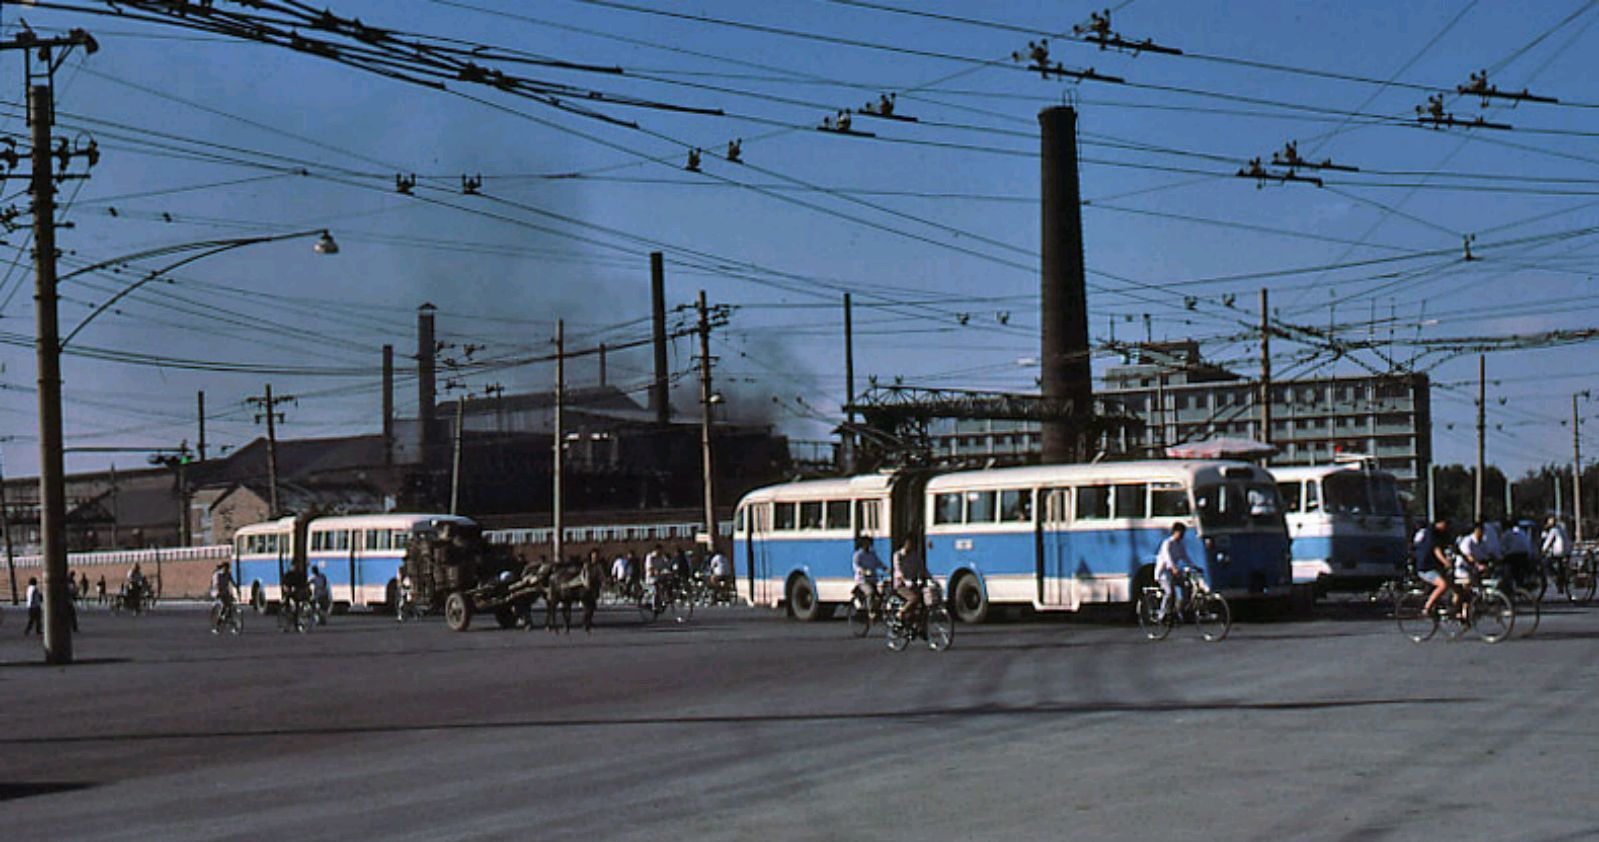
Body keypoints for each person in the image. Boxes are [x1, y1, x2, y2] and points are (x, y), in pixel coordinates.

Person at [1154, 522, 1192, 621]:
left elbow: (1185, 557)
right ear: (1175, 532)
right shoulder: (1167, 543)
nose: (1183, 535)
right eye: (1181, 533)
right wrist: (1173, 568)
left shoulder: (1180, 544)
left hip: (1173, 572)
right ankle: (1161, 615)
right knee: (1169, 592)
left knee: (1186, 586)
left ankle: (1179, 610)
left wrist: (1194, 566)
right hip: (1163, 573)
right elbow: (1167, 558)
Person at [1419, 519, 1456, 617]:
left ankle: (1455, 610)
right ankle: (1427, 608)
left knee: (1454, 585)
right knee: (1443, 585)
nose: (1446, 526)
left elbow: (1452, 546)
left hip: (1436, 567)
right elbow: (1437, 551)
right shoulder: (1431, 534)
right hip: (1426, 567)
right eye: (1445, 523)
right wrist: (1446, 562)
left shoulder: (1442, 534)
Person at [891, 538, 926, 623]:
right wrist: (905, 580)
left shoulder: (914, 555)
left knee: (923, 600)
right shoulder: (898, 555)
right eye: (908, 544)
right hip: (901, 584)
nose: (910, 546)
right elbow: (898, 570)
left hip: (913, 582)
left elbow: (921, 567)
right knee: (913, 598)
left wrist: (928, 577)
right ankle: (901, 612)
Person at [852, 536, 886, 604]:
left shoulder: (872, 554)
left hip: (873, 579)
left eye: (869, 543)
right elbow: (856, 566)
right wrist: (863, 571)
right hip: (862, 580)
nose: (868, 545)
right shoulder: (858, 555)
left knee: (881, 594)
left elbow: (878, 562)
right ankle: (871, 611)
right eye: (866, 543)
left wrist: (885, 568)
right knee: (870, 592)